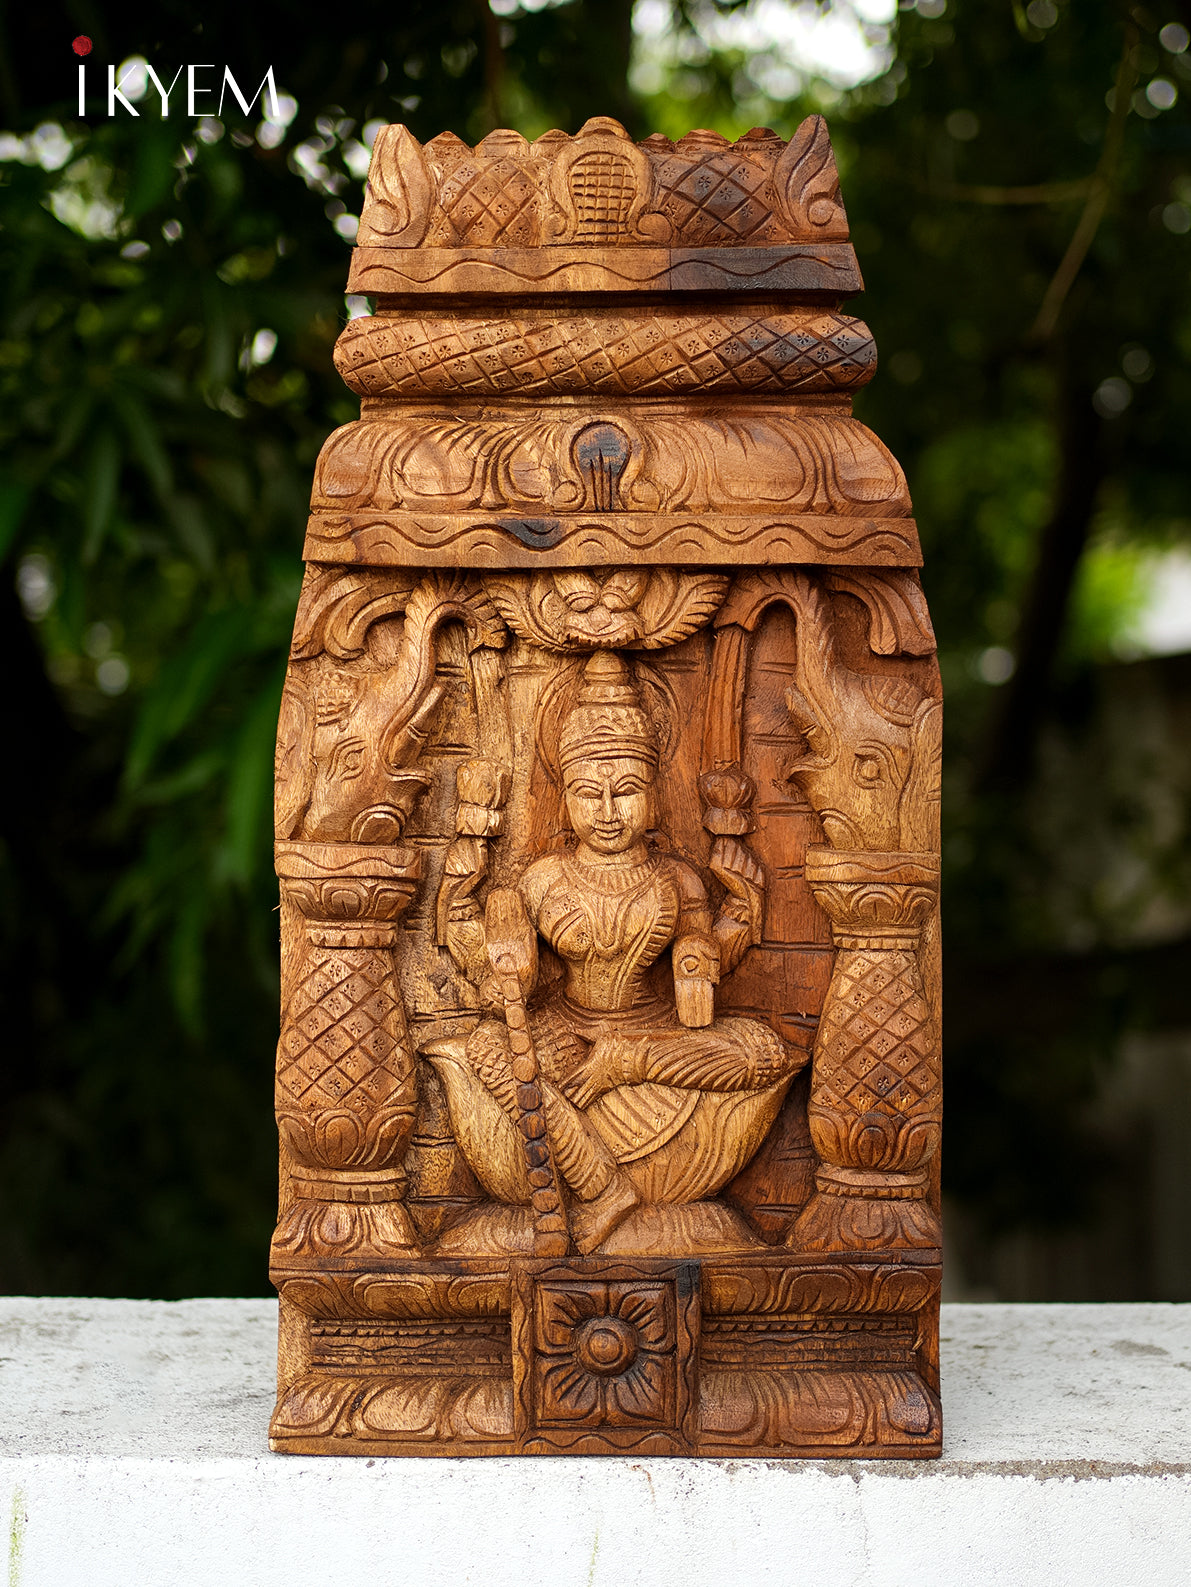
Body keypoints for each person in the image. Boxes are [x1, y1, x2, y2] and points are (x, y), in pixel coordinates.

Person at [424, 652, 807, 1256]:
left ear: (654, 793)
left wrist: (736, 909)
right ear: (565, 797)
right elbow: (494, 966)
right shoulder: (541, 881)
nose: (607, 811)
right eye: (588, 794)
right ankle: (602, 1187)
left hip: (653, 1038)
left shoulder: (676, 880)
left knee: (758, 1049)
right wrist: (471, 890)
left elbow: (702, 974)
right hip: (567, 1034)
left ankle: (622, 1073)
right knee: (487, 1050)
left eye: (625, 790)